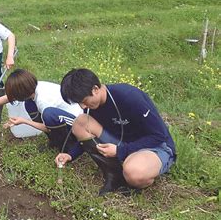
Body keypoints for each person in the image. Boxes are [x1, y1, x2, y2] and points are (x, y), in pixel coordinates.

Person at [55, 68, 176, 196]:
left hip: (154, 146)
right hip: (121, 140)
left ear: (95, 89)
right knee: (81, 122)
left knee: (133, 173)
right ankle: (113, 173)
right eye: (79, 103)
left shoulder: (129, 97)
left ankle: (135, 173)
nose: (83, 106)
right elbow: (85, 138)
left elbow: (159, 135)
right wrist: (70, 155)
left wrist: (121, 151)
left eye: (84, 101)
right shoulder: (92, 106)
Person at [0, 69, 82, 150]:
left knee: (47, 116)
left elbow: (48, 128)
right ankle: (55, 141)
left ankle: (68, 146)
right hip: (65, 116)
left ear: (21, 93)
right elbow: (8, 97)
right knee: (30, 105)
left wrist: (24, 121)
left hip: (78, 124)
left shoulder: (42, 101)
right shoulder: (33, 88)